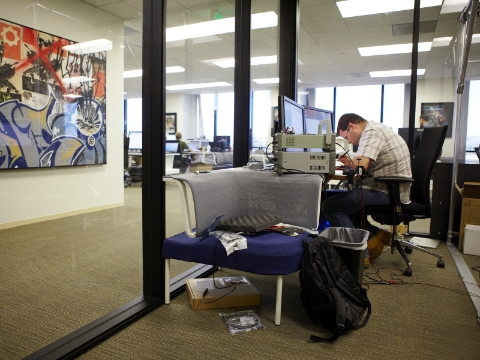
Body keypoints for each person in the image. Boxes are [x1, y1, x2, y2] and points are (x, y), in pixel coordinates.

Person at [322, 113, 412, 265]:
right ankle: (375, 235)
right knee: (341, 201)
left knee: (330, 206)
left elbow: (361, 165)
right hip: (390, 189)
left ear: (351, 126)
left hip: (387, 192)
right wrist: (350, 159)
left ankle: (359, 255)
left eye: (346, 137)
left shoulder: (371, 132)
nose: (349, 141)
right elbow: (363, 162)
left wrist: (351, 160)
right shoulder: (375, 129)